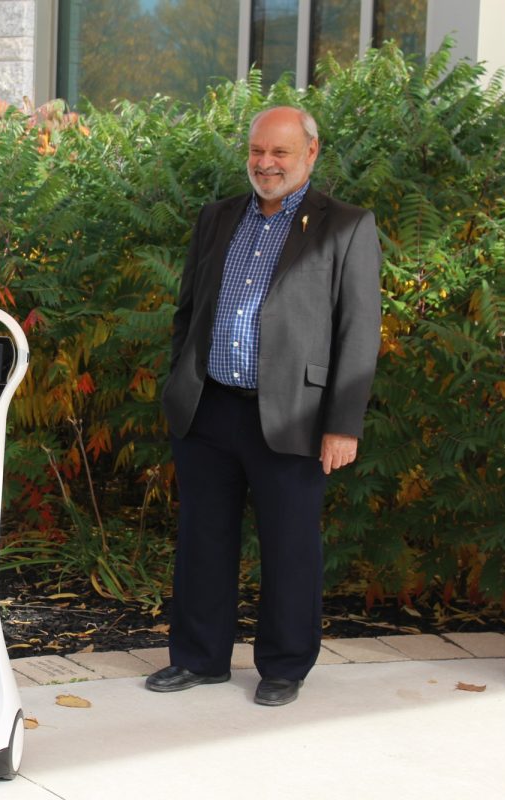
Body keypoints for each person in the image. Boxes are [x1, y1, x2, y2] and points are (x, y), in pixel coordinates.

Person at [152, 106, 382, 706]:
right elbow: (188, 311)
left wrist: (343, 425)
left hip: (294, 417)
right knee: (203, 539)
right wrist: (180, 384)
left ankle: (284, 667)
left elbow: (359, 331)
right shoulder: (217, 217)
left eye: (279, 152)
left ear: (311, 152)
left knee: (290, 546)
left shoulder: (346, 226)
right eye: (257, 151)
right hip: (208, 410)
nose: (265, 163)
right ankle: (200, 660)